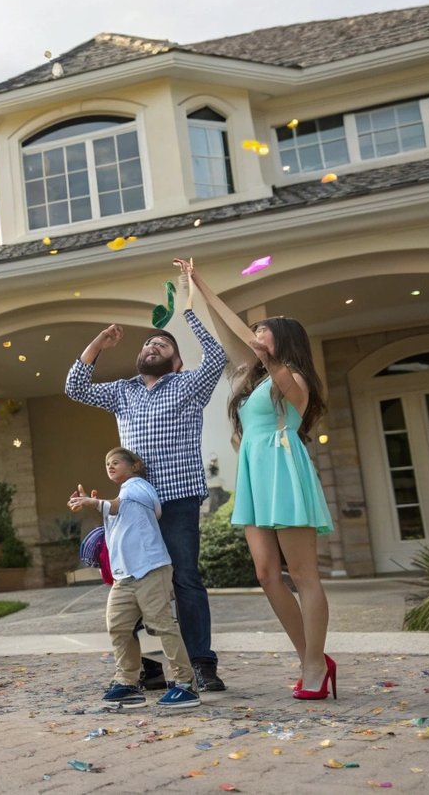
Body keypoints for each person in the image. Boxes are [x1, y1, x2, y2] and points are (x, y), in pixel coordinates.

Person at [64, 264, 228, 692]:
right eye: (150, 341)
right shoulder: (123, 391)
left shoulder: (189, 384)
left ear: (175, 361)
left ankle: (201, 664)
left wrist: (186, 314)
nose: (154, 345)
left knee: (184, 579)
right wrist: (99, 343)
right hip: (133, 507)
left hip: (176, 501)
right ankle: (145, 669)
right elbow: (75, 387)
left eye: (163, 344)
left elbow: (218, 357)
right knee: (131, 581)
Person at [184, 260, 336, 700]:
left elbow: (247, 340)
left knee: (304, 574)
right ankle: (311, 656)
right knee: (267, 574)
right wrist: (200, 286)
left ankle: (313, 665)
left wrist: (206, 287)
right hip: (255, 472)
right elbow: (231, 337)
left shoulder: (294, 379)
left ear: (282, 340)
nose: (254, 337)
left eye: (262, 331)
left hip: (283, 468)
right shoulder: (250, 379)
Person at [69, 448, 199, 710]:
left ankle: (186, 684)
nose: (110, 466)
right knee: (118, 625)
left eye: (116, 461)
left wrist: (96, 503)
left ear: (135, 466)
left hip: (150, 570)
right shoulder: (121, 496)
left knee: (162, 625)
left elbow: (119, 505)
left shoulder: (138, 486)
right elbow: (118, 514)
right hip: (125, 577)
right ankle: (127, 683)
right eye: (107, 463)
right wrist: (95, 504)